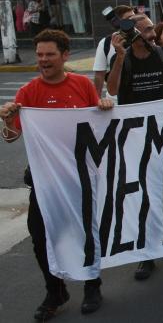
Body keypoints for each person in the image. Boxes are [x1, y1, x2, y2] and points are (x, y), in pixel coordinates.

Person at [0, 29, 113, 319]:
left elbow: (98, 125)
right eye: (39, 55)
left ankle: (92, 285)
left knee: (85, 231)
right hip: (45, 180)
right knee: (40, 235)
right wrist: (8, 119)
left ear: (64, 56)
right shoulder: (28, 92)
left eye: (49, 54)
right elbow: (11, 137)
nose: (43, 60)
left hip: (79, 177)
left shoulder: (81, 85)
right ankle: (56, 289)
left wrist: (104, 106)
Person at [106, 14, 163, 279]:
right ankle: (148, 252)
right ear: (133, 34)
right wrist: (119, 56)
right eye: (147, 33)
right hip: (135, 136)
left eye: (153, 32)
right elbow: (112, 88)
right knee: (142, 191)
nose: (153, 37)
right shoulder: (123, 58)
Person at [92, 5, 134, 97]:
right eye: (129, 18)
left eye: (133, 17)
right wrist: (95, 101)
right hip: (115, 102)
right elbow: (99, 75)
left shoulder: (142, 39)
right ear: (117, 22)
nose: (133, 21)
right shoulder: (105, 43)